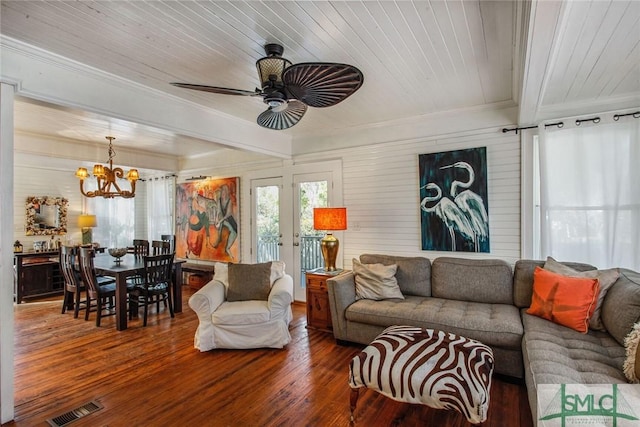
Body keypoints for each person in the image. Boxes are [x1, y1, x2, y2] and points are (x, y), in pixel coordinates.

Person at [212, 184, 237, 260]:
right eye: (221, 191)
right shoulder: (219, 200)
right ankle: (218, 239)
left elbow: (228, 214)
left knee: (234, 231)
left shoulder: (229, 201)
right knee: (219, 224)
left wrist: (220, 221)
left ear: (226, 192)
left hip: (228, 218)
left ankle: (227, 247)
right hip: (222, 218)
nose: (222, 193)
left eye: (223, 191)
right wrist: (216, 219)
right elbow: (218, 210)